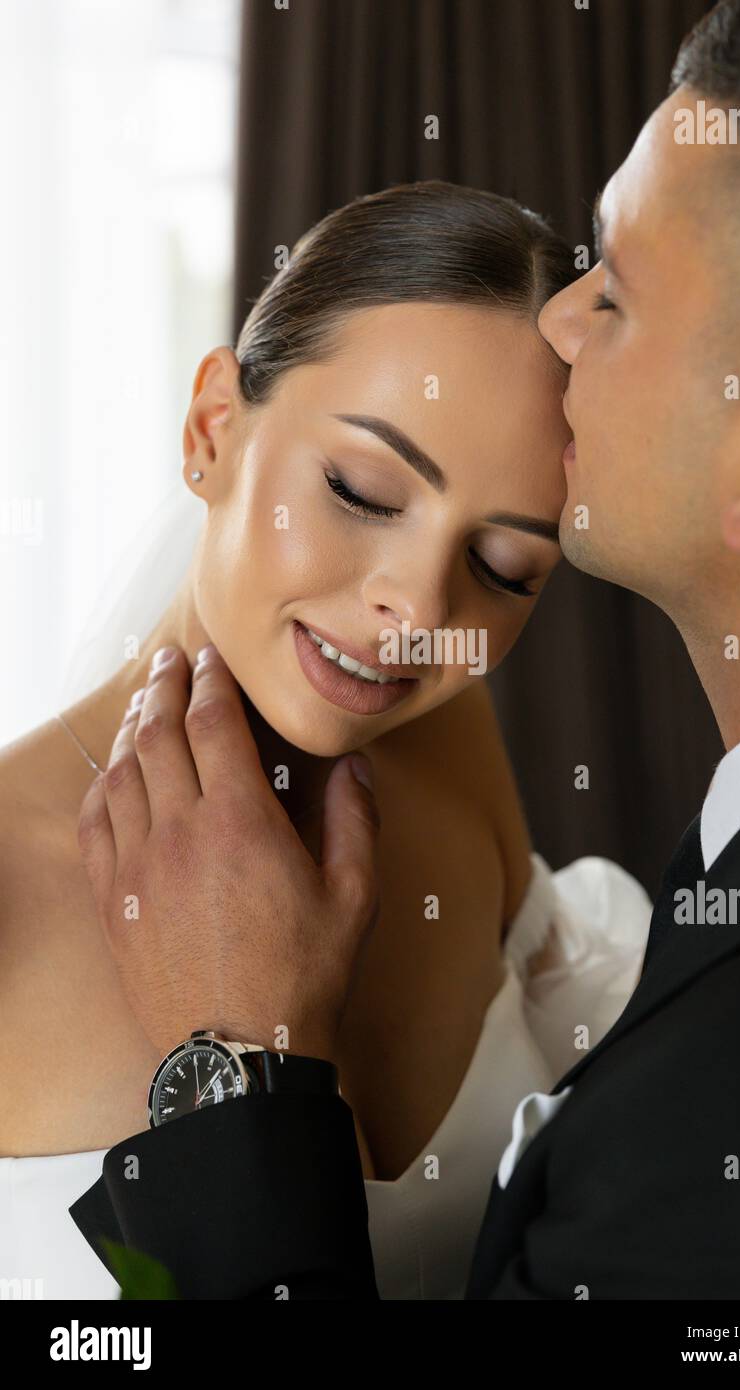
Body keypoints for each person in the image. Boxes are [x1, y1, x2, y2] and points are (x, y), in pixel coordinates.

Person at [72, 0, 740, 1298]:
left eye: (614, 287)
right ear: (212, 422)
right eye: (363, 488)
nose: (558, 323)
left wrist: (236, 1068)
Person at [0, 183, 652, 1300]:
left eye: (502, 568)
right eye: (358, 490)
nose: (417, 606)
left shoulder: (450, 740)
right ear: (213, 429)